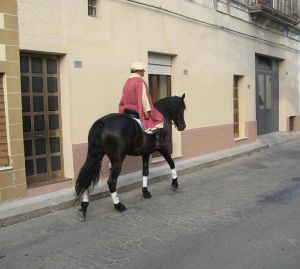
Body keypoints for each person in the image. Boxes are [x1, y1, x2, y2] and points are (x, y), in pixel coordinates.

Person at [119, 61, 164, 149]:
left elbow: (124, 96)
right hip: (137, 108)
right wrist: (146, 111)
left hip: (126, 107)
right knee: (159, 117)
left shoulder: (127, 81)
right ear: (138, 70)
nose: (144, 71)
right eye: (143, 70)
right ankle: (158, 143)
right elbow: (144, 97)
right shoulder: (140, 81)